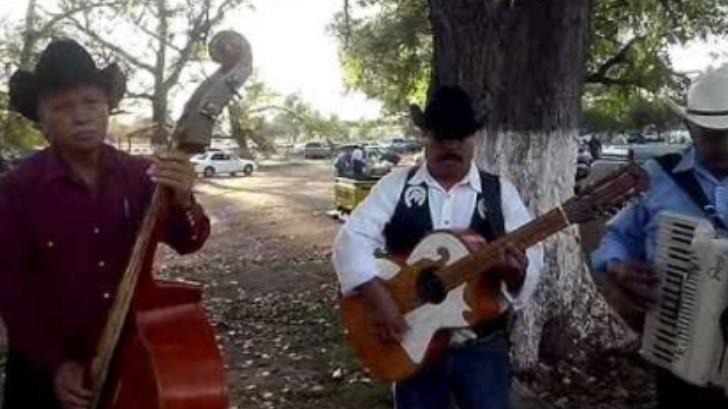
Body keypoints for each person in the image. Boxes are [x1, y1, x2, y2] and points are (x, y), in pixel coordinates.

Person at [0, 39, 210, 409]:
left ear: (107, 108)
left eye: (92, 102)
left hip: (136, 360)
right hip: (46, 379)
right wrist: (55, 365)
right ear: (41, 120)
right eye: (63, 106)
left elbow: (189, 240)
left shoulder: (143, 176)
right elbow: (12, 293)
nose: (81, 115)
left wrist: (184, 200)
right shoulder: (16, 190)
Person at [332, 85, 543, 409]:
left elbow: (531, 263)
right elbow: (351, 240)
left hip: (482, 348)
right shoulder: (395, 187)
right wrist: (380, 301)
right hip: (409, 339)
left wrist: (516, 274)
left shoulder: (501, 193)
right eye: (441, 137)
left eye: (460, 136)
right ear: (426, 139)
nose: (451, 145)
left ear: (474, 140)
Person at [592, 66, 728, 409]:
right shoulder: (656, 178)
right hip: (679, 351)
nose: (723, 145)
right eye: (711, 135)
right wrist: (618, 268)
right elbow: (616, 239)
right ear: (689, 128)